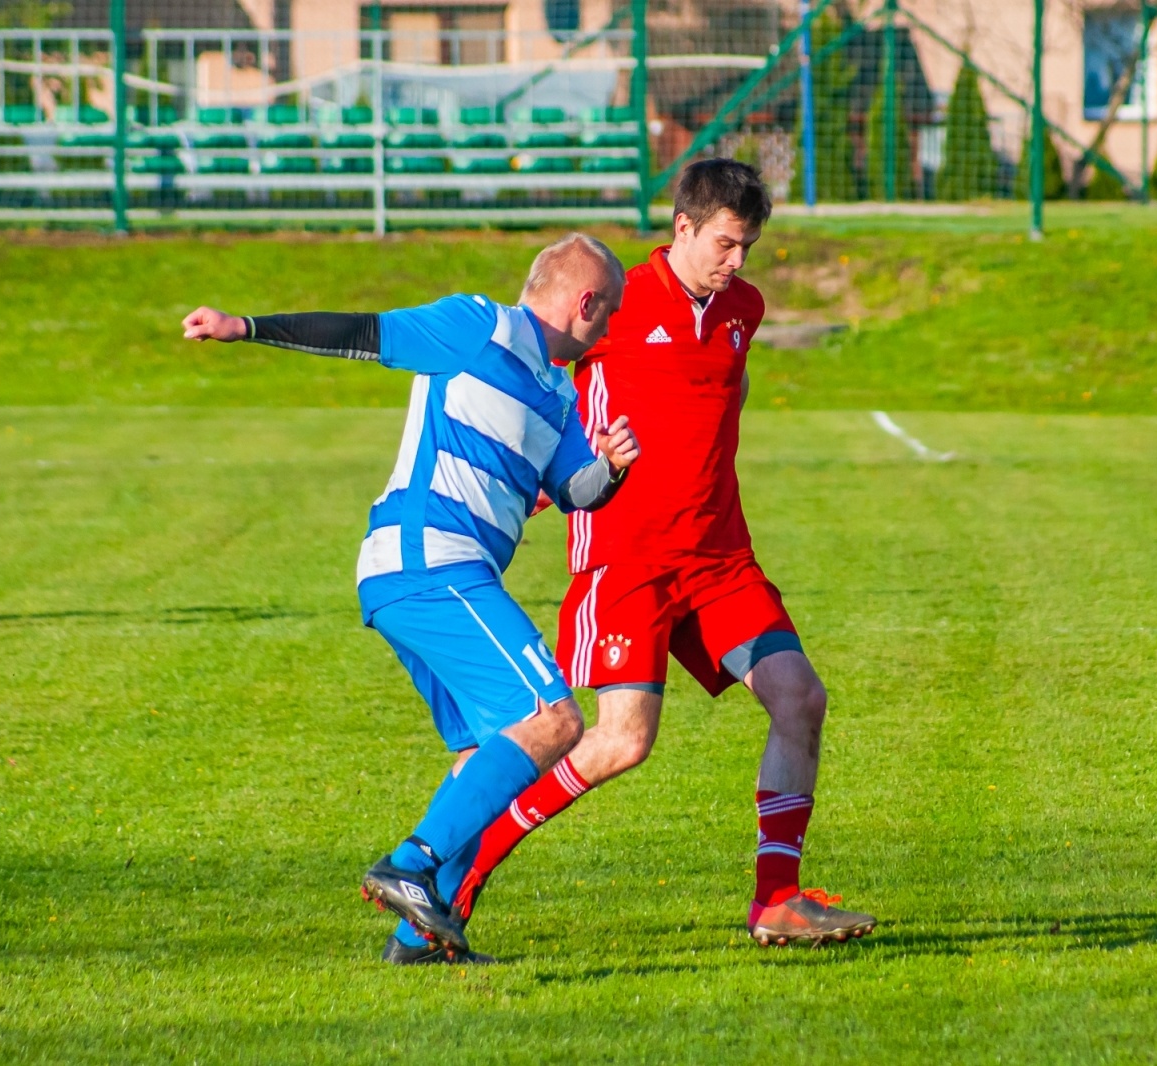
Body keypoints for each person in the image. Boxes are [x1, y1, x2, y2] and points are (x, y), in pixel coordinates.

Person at [181, 233, 641, 964]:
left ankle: (417, 940)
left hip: (433, 575)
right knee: (552, 719)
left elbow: (574, 490)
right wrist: (247, 327)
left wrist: (609, 470)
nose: (609, 329)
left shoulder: (558, 392)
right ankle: (408, 863)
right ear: (584, 302)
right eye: (608, 313)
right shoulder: (477, 327)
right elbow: (365, 333)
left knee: (484, 760)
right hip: (429, 561)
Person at [454, 160, 877, 947]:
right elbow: (537, 381)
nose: (738, 261)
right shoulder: (615, 304)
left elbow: (727, 394)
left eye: (748, 245)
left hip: (720, 556)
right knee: (621, 741)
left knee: (799, 698)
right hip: (629, 556)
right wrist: (550, 476)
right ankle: (465, 864)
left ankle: (777, 898)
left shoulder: (741, 308)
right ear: (683, 228)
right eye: (725, 242)